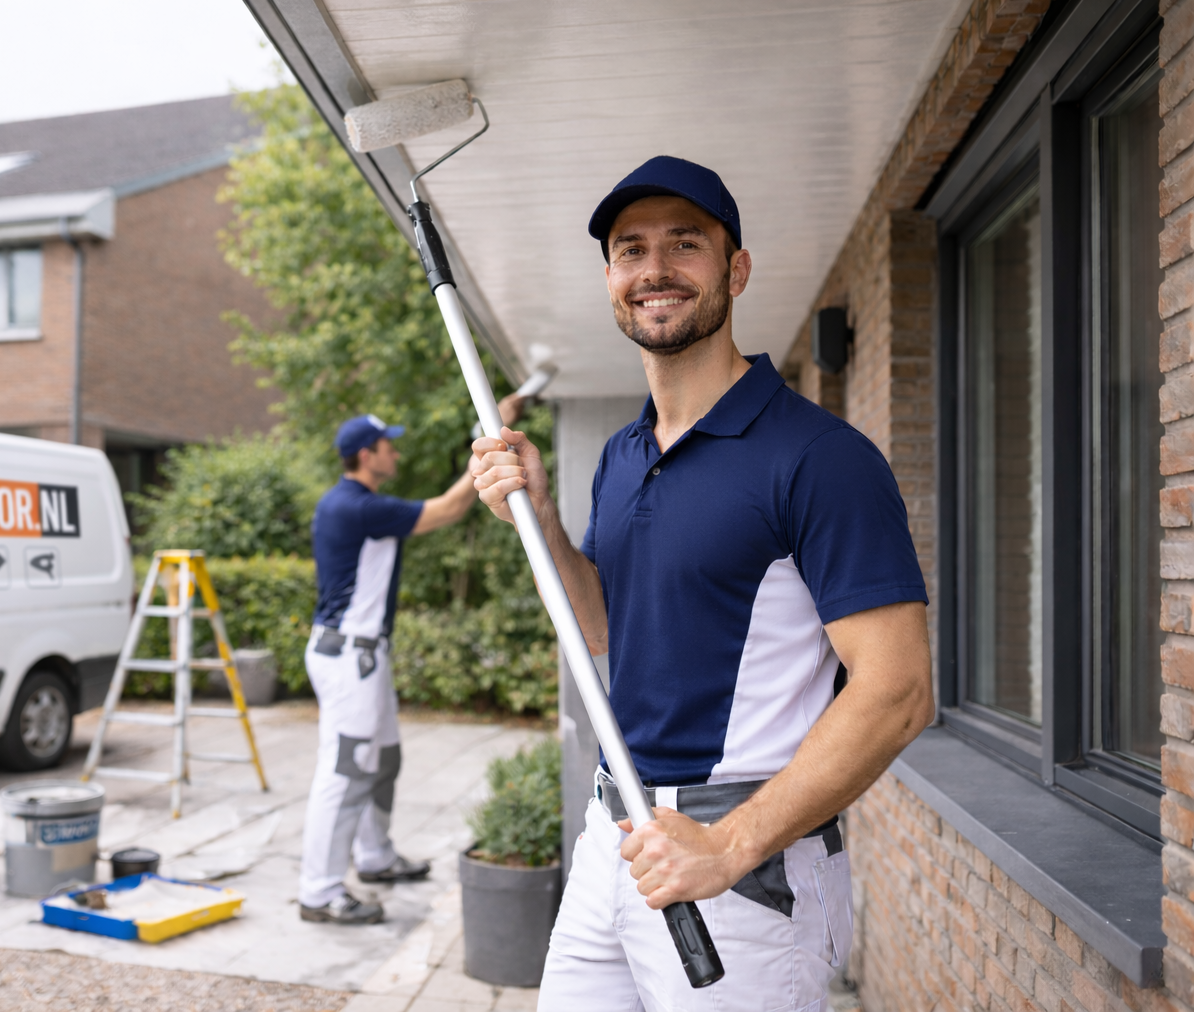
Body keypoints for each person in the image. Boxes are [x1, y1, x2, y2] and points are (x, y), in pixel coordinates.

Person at [469, 155, 934, 1009]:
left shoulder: (818, 458)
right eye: (630, 249)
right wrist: (540, 519)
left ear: (737, 269)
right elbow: (608, 629)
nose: (654, 270)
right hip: (617, 839)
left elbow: (899, 691)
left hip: (744, 869)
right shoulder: (623, 453)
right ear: (611, 279)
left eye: (685, 244)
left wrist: (726, 847)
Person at [299, 400, 523, 925]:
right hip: (350, 657)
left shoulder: (356, 503)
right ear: (365, 455)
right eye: (388, 446)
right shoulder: (356, 506)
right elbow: (448, 509)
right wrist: (488, 439)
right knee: (346, 770)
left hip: (362, 655)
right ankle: (319, 891)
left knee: (384, 760)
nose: (395, 453)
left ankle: (374, 858)